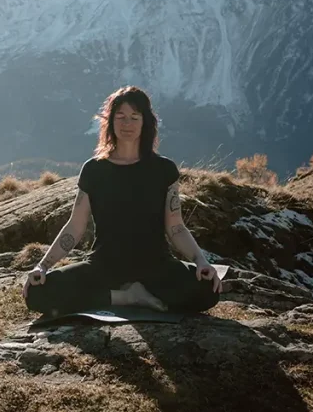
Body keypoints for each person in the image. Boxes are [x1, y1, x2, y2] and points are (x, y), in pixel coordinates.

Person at [23, 85, 222, 318]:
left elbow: (176, 226)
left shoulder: (163, 169)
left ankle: (124, 294)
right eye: (121, 117)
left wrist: (201, 261)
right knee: (37, 292)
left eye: (134, 117)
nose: (127, 124)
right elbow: (75, 226)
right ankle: (124, 297)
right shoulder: (94, 170)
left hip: (156, 266)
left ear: (145, 122)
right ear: (110, 122)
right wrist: (42, 266)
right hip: (104, 266)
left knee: (208, 289)